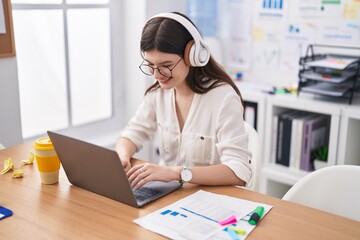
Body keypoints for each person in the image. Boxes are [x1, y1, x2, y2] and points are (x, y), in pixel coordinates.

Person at [116, 12, 252, 189]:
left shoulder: (223, 98)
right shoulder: (158, 93)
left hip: (211, 200)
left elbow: (239, 171)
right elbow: (133, 133)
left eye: (166, 66)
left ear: (193, 55)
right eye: (150, 65)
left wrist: (177, 173)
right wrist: (122, 156)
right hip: (168, 196)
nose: (157, 75)